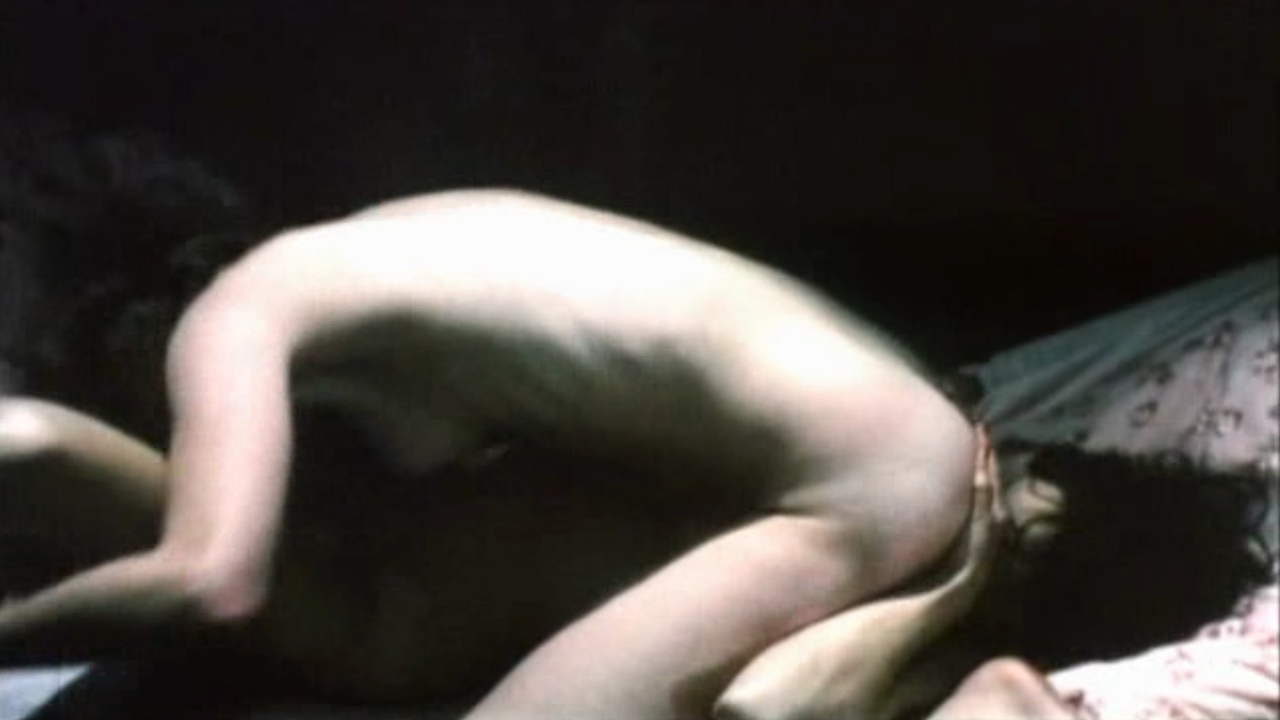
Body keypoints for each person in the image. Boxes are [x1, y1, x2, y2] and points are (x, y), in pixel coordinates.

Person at [0, 188, 1270, 719]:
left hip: (886, 474)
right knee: (38, 444)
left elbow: (207, 576)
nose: (194, 435)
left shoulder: (239, 318)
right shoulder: (369, 272)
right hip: (396, 609)